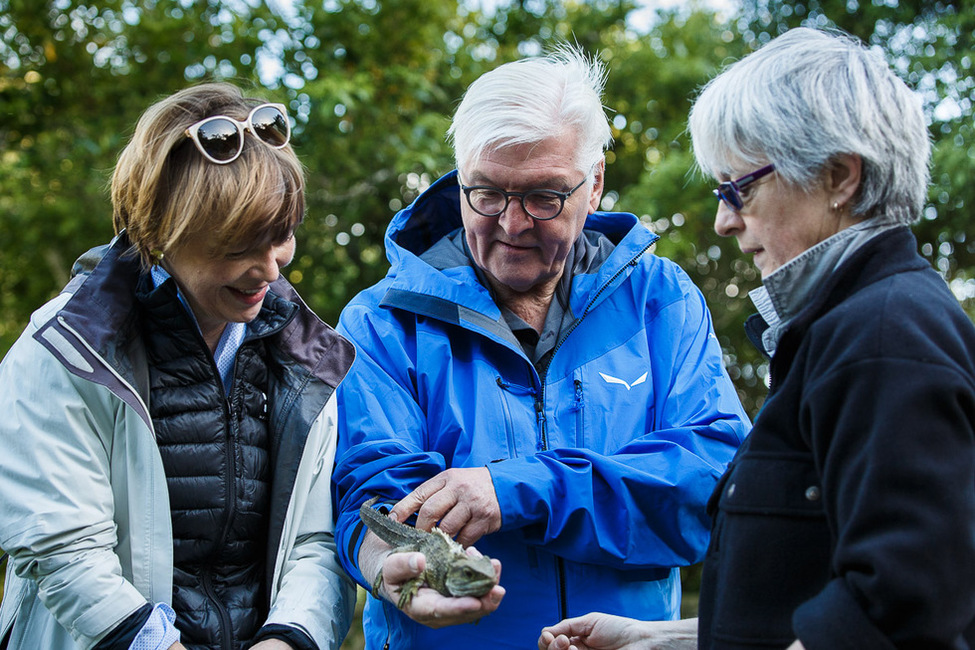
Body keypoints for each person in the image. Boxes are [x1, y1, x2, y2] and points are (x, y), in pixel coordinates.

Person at [539, 27, 975, 650]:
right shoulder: (844, 329)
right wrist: (659, 640)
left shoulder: (885, 335)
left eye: (737, 188)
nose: (724, 220)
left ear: (839, 176)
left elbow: (900, 606)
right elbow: (808, 596)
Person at [331, 45, 750, 650]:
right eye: (486, 193)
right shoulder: (381, 322)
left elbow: (714, 479)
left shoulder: (660, 301)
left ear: (595, 183)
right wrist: (383, 562)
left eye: (543, 197)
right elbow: (370, 486)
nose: (512, 223)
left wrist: (522, 489)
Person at [0, 83, 357, 650]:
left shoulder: (302, 353)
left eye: (281, 236)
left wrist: (289, 639)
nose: (269, 269)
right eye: (238, 245)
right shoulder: (67, 350)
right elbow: (63, 552)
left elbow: (315, 538)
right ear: (161, 231)